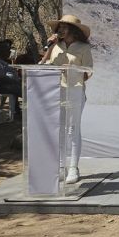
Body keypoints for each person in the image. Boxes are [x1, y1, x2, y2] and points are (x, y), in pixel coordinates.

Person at [40, 15, 93, 184]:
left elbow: (88, 72)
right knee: (60, 129)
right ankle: (61, 167)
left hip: (75, 90)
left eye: (64, 27)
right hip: (57, 91)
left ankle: (73, 168)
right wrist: (49, 48)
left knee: (72, 129)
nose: (60, 30)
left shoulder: (83, 48)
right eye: (59, 27)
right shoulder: (55, 46)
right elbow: (42, 66)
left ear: (74, 30)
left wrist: (73, 70)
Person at [0, 40, 23, 119]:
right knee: (25, 91)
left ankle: (16, 111)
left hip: (8, 85)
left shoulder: (1, 61)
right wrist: (13, 80)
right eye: (8, 51)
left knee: (22, 87)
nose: (9, 53)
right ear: (2, 52)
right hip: (3, 87)